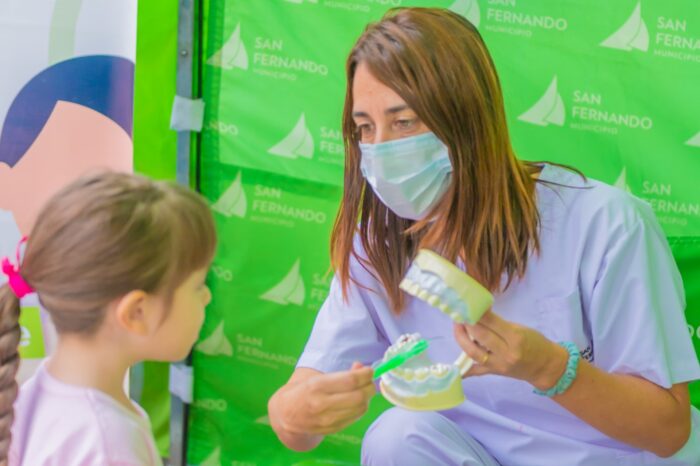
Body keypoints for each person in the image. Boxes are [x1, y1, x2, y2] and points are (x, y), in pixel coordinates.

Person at [268, 7, 700, 465]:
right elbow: (299, 404)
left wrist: (548, 366)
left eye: (405, 121)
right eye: (365, 128)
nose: (381, 150)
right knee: (396, 434)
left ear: (467, 117)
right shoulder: (377, 245)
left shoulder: (605, 223)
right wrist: (294, 414)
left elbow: (668, 429)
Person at [0, 172, 217, 465]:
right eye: (198, 286)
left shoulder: (34, 395)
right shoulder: (108, 445)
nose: (207, 297)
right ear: (136, 312)